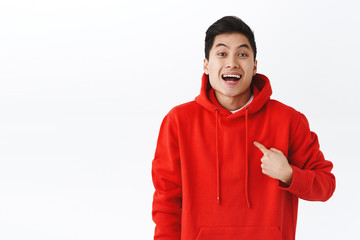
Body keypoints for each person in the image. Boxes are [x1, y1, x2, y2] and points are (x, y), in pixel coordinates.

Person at [151, 16, 335, 240]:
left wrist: (289, 174)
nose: (232, 63)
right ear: (206, 65)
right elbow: (166, 203)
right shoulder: (178, 121)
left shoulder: (289, 120)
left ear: (255, 65)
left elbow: (326, 185)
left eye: (242, 54)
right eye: (222, 53)